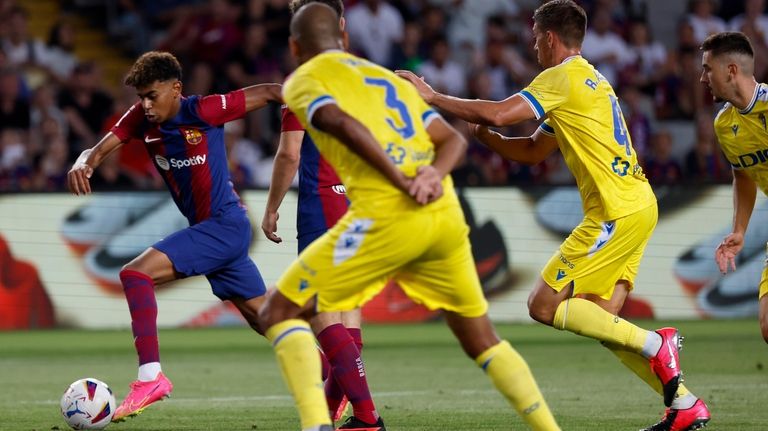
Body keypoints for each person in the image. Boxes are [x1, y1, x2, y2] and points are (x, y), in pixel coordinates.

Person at [396, 1, 711, 430]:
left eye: (534, 37)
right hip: (638, 204)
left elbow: (502, 112)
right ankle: (684, 405)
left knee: (543, 305)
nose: (532, 46)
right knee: (602, 324)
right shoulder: (590, 80)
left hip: (613, 211)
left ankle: (659, 343)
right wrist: (486, 138)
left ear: (548, 38)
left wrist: (432, 97)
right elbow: (530, 149)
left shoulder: (560, 77)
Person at [257, 3, 561, 431]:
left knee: (278, 311)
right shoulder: (384, 78)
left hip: (384, 218)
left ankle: (319, 425)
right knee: (482, 340)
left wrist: (399, 180)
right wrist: (430, 176)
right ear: (343, 37)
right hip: (443, 217)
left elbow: (337, 123)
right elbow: (451, 140)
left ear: (294, 46)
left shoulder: (303, 81)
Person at [67, 51, 281, 422]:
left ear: (176, 89)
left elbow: (271, 91)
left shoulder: (205, 110)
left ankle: (150, 377)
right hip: (211, 230)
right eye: (141, 98)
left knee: (135, 273)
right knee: (265, 320)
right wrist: (83, 161)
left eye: (152, 95)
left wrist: (322, 108)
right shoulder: (140, 120)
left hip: (224, 225)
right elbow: (98, 149)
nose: (146, 105)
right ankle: (333, 375)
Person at [261, 0, 383, 429]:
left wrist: (272, 206)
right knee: (347, 314)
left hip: (323, 204)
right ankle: (337, 412)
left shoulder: (304, 83)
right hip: (364, 204)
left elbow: (289, 153)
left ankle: (368, 419)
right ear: (342, 27)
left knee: (318, 311)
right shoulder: (366, 77)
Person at [701, 31, 768, 344]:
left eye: (707, 68)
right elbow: (743, 176)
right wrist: (740, 230)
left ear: (730, 70)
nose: (703, 78)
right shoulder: (724, 124)